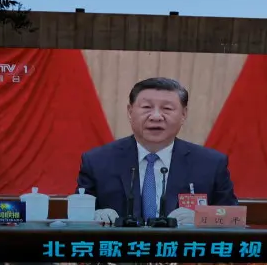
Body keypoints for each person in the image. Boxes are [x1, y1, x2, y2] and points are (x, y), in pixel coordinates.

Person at [76, 77, 238, 226]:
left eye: (167, 108)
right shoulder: (97, 161)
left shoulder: (210, 164)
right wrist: (94, 215)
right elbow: (75, 217)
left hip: (182, 253)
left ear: (183, 114)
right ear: (130, 112)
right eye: (146, 107)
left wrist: (201, 218)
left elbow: (234, 218)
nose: (156, 116)